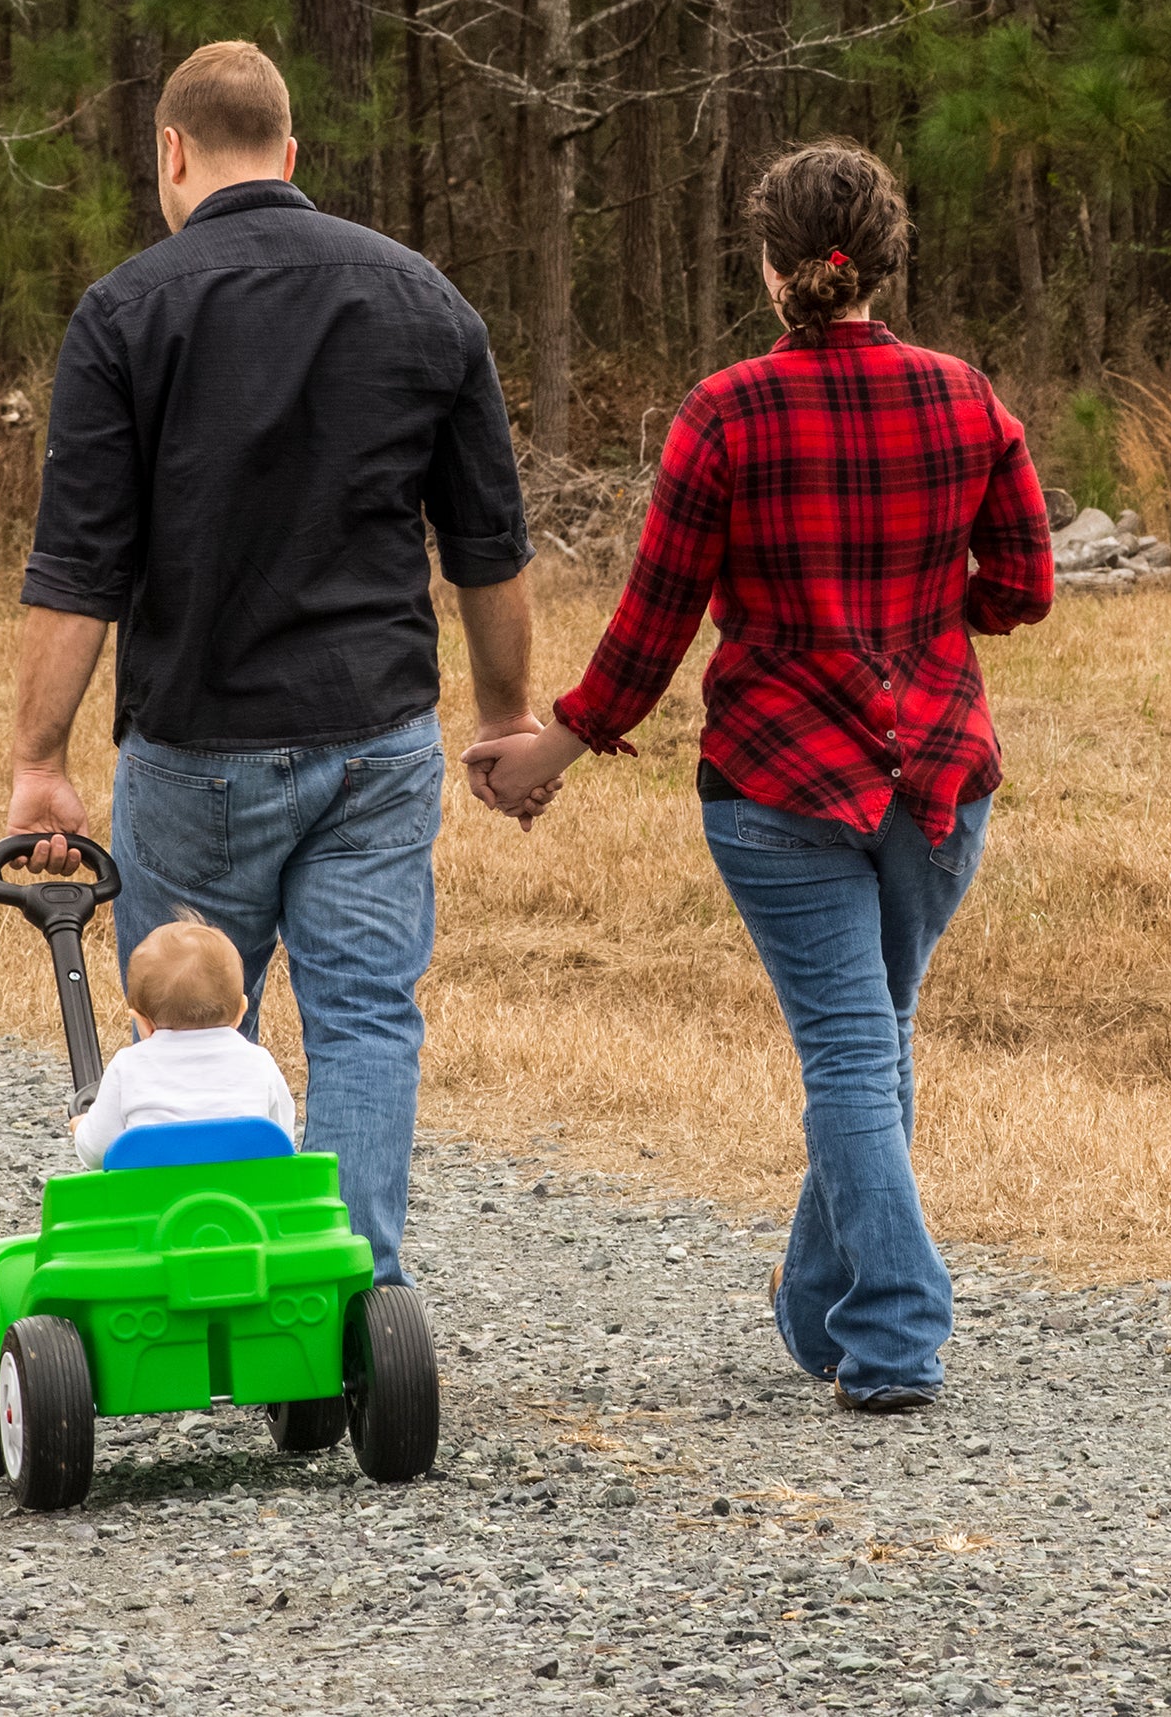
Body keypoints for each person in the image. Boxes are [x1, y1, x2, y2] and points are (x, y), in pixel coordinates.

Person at [467, 138, 1055, 1413]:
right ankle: (815, 1307)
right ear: (882, 257)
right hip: (940, 774)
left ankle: (895, 1334)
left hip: (780, 779)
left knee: (852, 1050)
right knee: (874, 1040)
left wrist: (547, 750)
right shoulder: (965, 397)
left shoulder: (725, 412)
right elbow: (1022, 589)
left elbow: (653, 626)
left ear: (771, 268)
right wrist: (914, 625)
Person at [8, 39, 543, 1288]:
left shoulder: (126, 312)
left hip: (197, 753)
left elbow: (77, 568)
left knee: (192, 1026)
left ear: (171, 154)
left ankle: (213, 1289)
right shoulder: (424, 300)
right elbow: (487, 550)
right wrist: (509, 714)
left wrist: (40, 762)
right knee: (364, 1022)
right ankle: (346, 1305)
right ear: (290, 156)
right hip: (377, 743)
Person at [72, 919, 298, 1165]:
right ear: (240, 1012)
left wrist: (82, 1128)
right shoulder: (259, 1062)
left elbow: (98, 1153)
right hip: (244, 1199)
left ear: (143, 1023)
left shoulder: (126, 1067)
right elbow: (282, 1139)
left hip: (153, 1200)